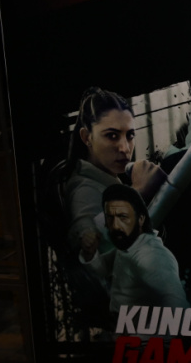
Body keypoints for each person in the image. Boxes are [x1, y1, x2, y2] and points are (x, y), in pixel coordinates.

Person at [60, 87, 162, 261]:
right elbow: (97, 249)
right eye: (112, 136)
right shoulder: (84, 191)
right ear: (86, 137)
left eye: (130, 136)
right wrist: (138, 191)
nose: (125, 148)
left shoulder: (104, 178)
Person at [81, 183, 189, 311]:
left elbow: (179, 311)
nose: (115, 226)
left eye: (123, 217)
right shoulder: (128, 244)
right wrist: (90, 252)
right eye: (110, 218)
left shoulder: (152, 257)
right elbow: (103, 268)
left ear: (141, 219)